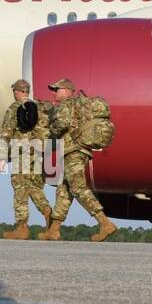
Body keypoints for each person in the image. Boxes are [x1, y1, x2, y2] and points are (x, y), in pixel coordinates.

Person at [42, 78, 117, 243]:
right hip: (78, 149)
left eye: (57, 89)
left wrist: (51, 127)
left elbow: (60, 125)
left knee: (77, 187)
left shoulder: (66, 105)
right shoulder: (79, 105)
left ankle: (105, 223)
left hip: (73, 150)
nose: (54, 93)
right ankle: (54, 229)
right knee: (64, 189)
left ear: (67, 90)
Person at [0, 78, 52, 240]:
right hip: (37, 151)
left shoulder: (15, 107)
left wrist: (1, 157)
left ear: (17, 92)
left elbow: (6, 133)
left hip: (21, 151)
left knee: (20, 188)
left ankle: (21, 227)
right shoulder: (39, 107)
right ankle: (48, 214)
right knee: (34, 187)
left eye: (14, 91)